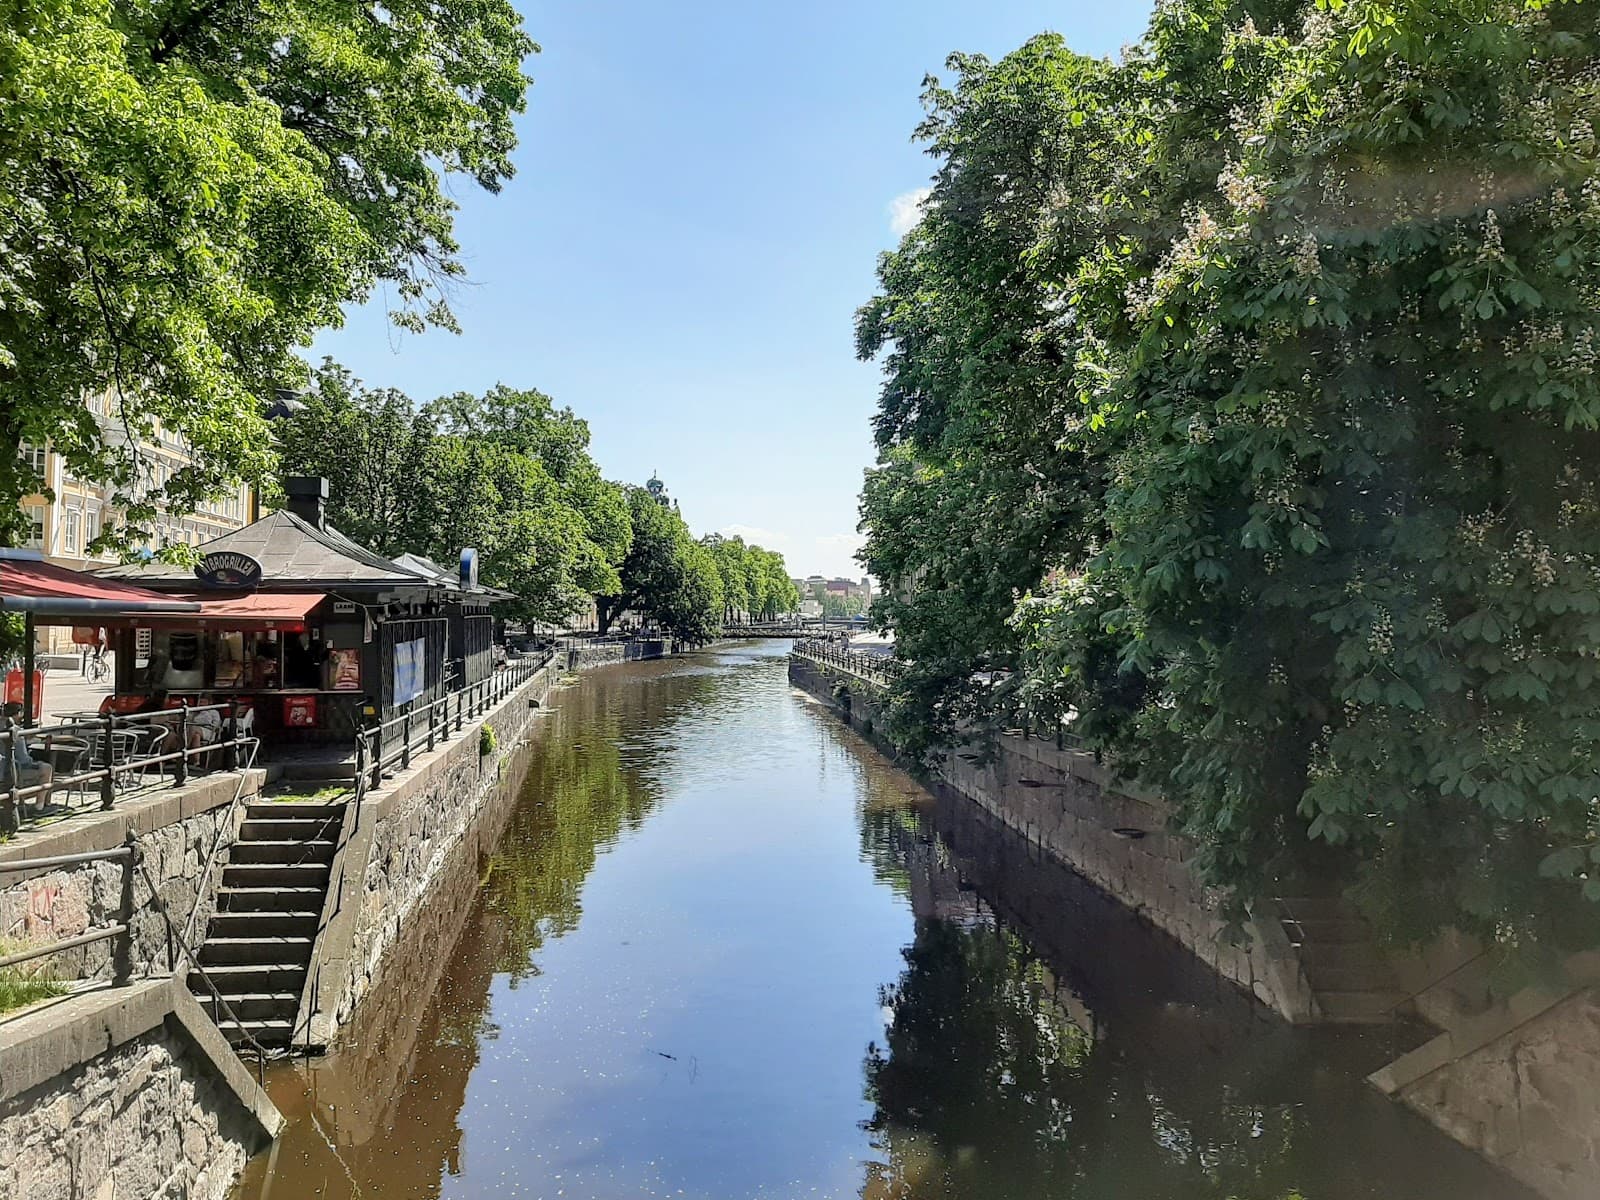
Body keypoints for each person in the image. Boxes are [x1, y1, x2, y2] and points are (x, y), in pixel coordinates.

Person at [0, 702, 54, 824]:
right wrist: (35, 763)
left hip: (2, 769)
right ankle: (39, 807)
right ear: (18, 714)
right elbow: (24, 760)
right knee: (47, 768)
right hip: (12, 772)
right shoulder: (16, 731)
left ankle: (24, 803)